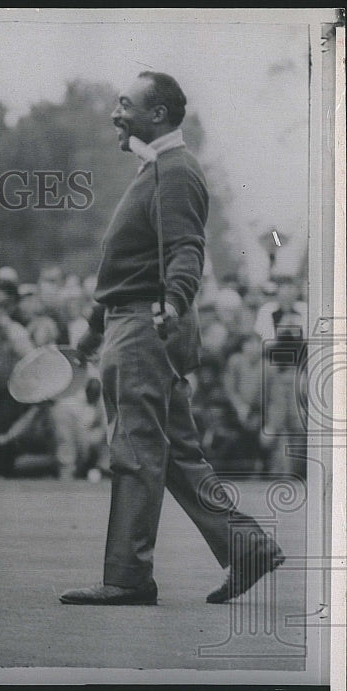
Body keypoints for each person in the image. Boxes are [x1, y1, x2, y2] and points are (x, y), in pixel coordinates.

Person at [59, 72, 284, 606]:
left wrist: (175, 302)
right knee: (177, 454)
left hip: (143, 331)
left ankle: (128, 577)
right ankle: (246, 548)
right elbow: (126, 266)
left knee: (135, 453)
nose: (116, 113)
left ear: (157, 115)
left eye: (125, 104)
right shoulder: (157, 169)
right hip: (133, 326)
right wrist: (92, 336)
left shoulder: (175, 171)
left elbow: (186, 249)